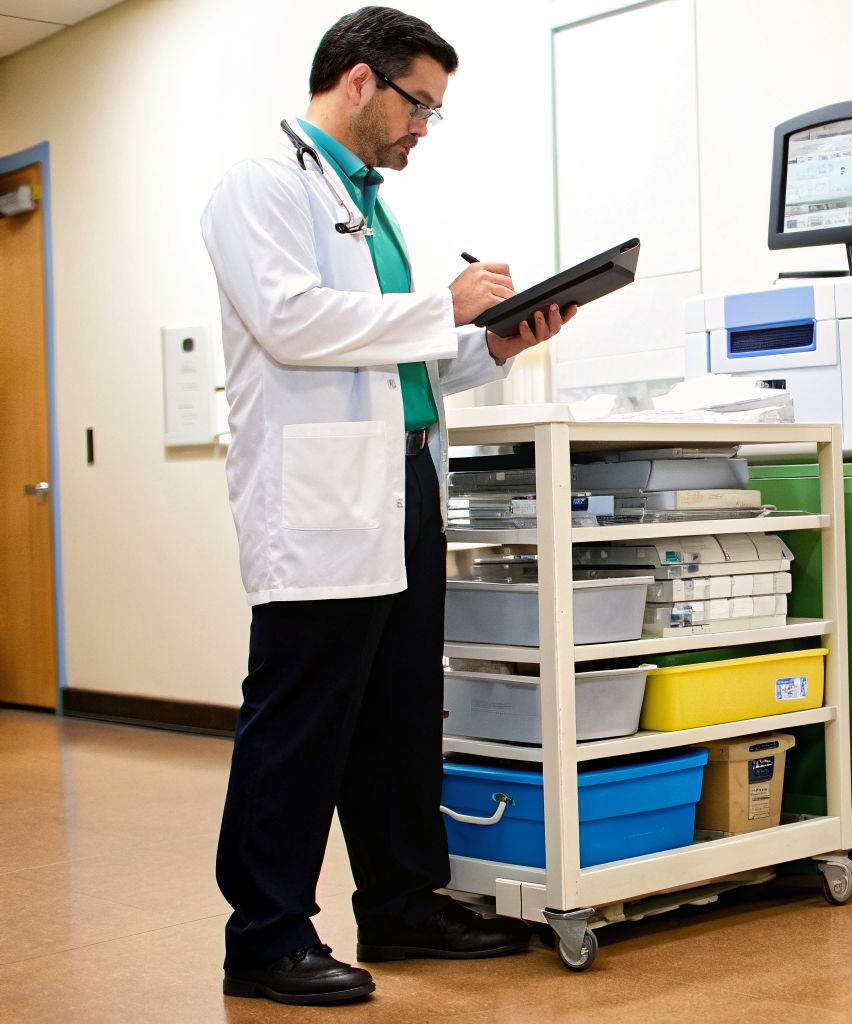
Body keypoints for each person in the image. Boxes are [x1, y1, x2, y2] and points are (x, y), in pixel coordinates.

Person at [199, 6, 573, 1006]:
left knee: (402, 710)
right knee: (301, 717)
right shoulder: (260, 187)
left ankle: (403, 902)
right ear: (359, 81)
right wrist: (441, 305)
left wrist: (492, 343)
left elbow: (388, 353)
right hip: (320, 496)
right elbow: (289, 323)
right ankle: (265, 934)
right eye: (420, 105)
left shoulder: (367, 207)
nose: (422, 127)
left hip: (402, 477)